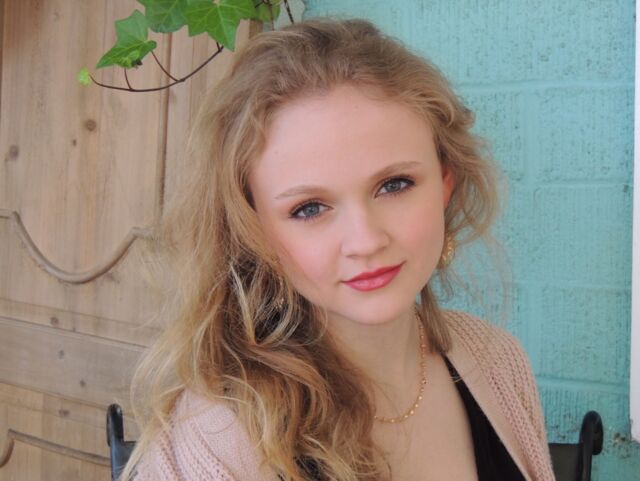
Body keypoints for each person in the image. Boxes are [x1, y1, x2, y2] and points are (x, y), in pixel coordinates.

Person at [121, 17, 555, 481]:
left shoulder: (496, 360)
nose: (366, 241)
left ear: (445, 183)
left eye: (394, 184)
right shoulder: (218, 436)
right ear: (254, 229)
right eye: (309, 209)